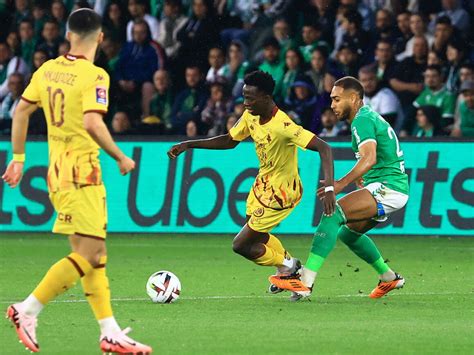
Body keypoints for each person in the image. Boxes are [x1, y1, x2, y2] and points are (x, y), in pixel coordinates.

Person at [2, 9, 152, 354]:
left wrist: (19, 158)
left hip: (56, 172)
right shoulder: (95, 75)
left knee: (94, 255)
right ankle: (26, 310)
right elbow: (92, 123)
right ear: (100, 38)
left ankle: (109, 331)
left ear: (68, 35)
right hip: (82, 173)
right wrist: (120, 156)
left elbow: (21, 111)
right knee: (89, 253)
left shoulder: (48, 68)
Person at [167, 70, 336, 293]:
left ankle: (289, 267)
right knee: (257, 234)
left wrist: (330, 187)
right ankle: (289, 269)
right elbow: (229, 140)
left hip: (281, 192)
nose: (245, 103)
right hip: (263, 185)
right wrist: (190, 144)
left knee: (241, 245)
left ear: (266, 98)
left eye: (250, 98)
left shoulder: (283, 125)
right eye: (244, 96)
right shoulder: (251, 116)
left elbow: (324, 147)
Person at [271, 76, 408, 301]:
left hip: (388, 187)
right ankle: (389, 277)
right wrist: (361, 177)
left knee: (332, 214)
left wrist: (338, 185)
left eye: (336, 99)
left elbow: (369, 157)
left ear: (353, 98)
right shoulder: (367, 117)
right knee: (349, 234)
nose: (332, 105)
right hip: (389, 186)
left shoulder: (361, 120)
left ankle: (305, 281)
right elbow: (376, 157)